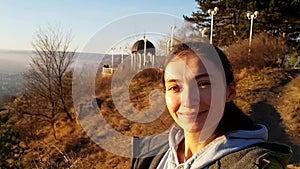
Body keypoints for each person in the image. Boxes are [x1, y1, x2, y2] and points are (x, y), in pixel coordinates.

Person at [131, 42, 292, 169]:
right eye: (175, 87)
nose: (189, 100)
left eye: (203, 84)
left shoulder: (257, 164)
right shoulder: (150, 153)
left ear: (230, 90)